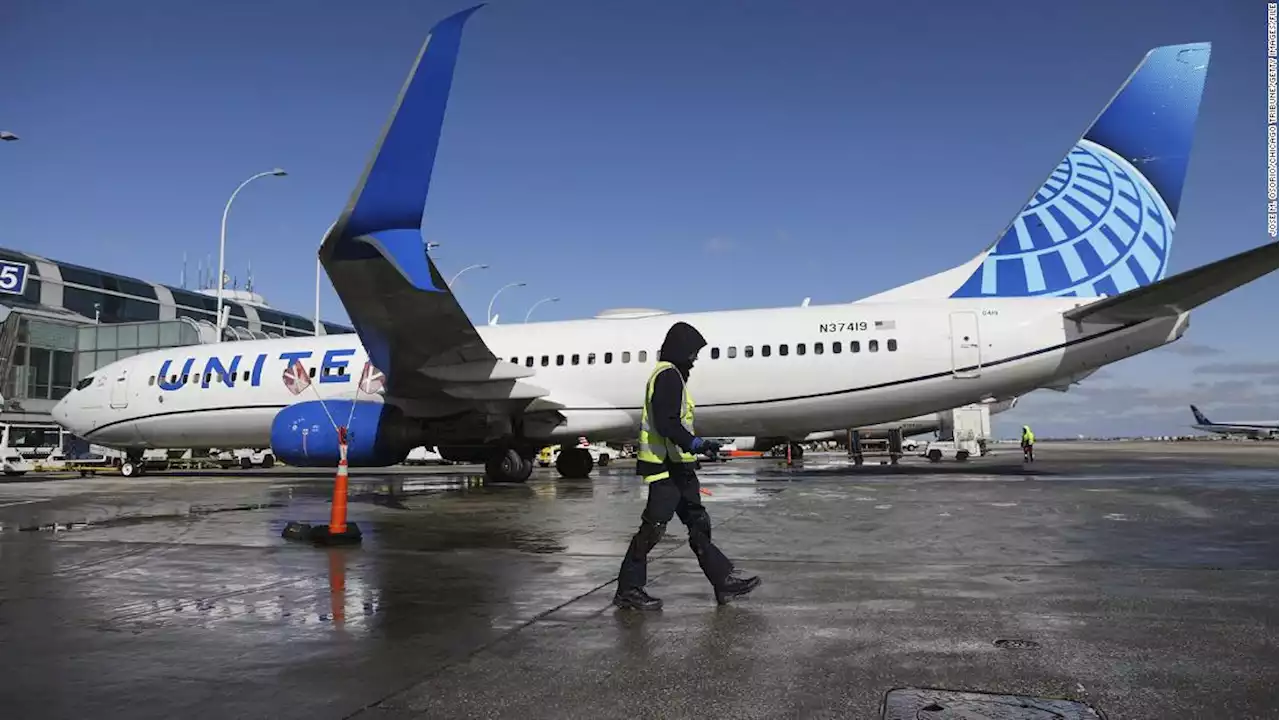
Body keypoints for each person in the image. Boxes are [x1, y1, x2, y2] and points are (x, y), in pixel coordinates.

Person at [613, 321, 762, 611]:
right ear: (681, 351)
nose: (695, 359)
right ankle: (628, 589)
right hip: (664, 468)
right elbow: (666, 422)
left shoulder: (675, 377)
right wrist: (693, 443)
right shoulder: (667, 376)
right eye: (693, 353)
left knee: (699, 524)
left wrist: (697, 446)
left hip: (680, 467)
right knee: (653, 529)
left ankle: (723, 582)